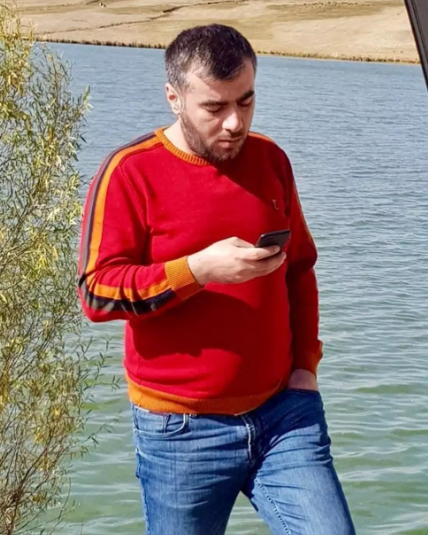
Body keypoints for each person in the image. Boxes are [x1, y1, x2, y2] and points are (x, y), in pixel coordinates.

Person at [78, 23, 355, 535]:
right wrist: (197, 270)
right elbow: (97, 292)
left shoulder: (271, 159)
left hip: (285, 413)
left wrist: (305, 367)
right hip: (180, 430)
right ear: (174, 97)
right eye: (214, 107)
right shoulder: (128, 172)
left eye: (246, 101)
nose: (234, 122)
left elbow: (299, 269)